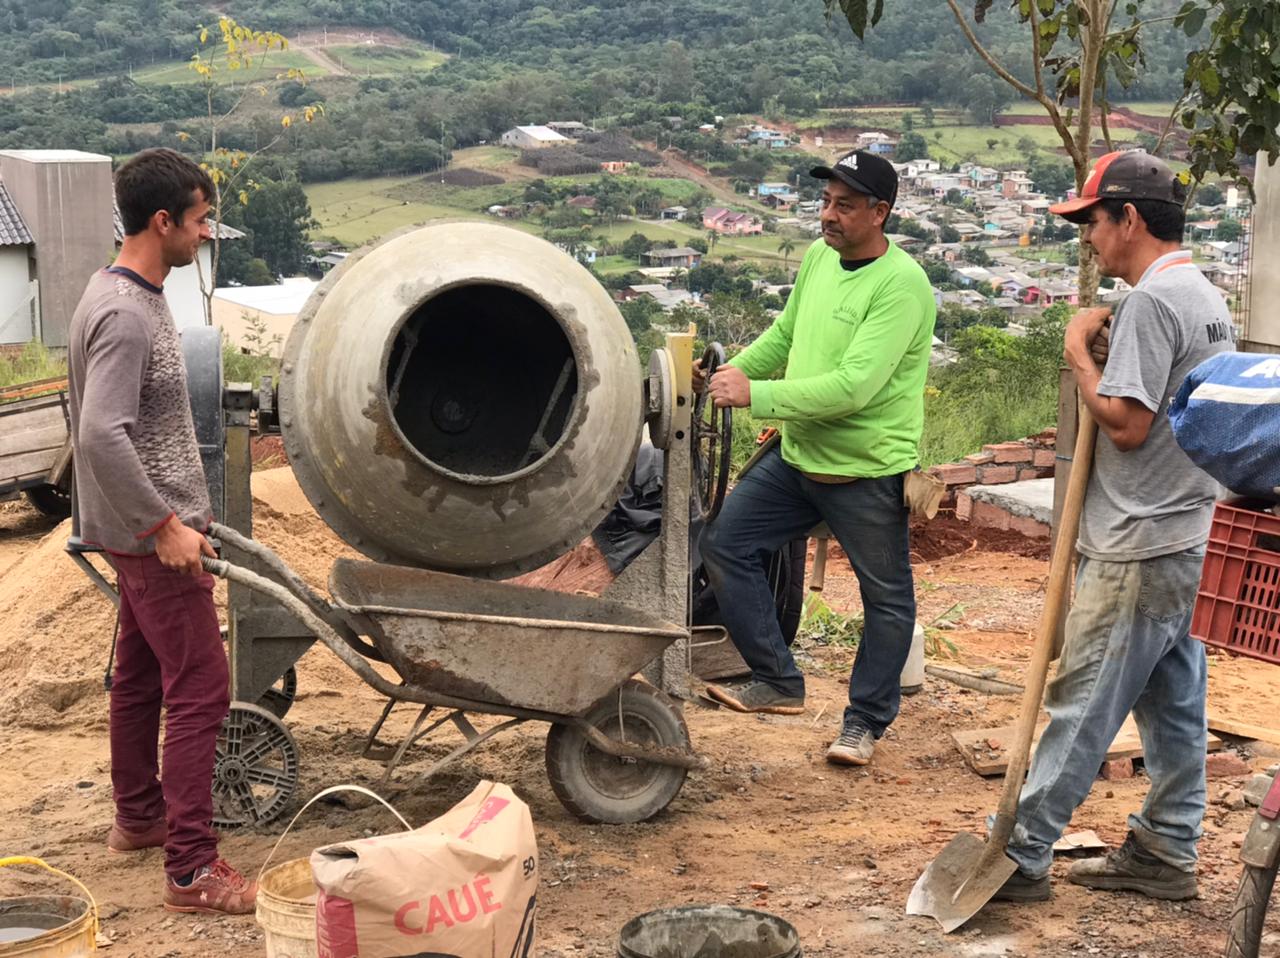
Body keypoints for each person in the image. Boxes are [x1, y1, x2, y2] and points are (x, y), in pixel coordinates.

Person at [990, 150, 1235, 905]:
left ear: (1129, 218)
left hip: (1137, 542)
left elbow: (1127, 425)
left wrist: (1076, 353)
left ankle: (1022, 855)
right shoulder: (1202, 294)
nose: (1088, 239)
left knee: (1085, 696)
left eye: (1092, 222)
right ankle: (1167, 848)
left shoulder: (1151, 304)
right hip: (1187, 531)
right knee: (1173, 710)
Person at [696, 150, 936, 767]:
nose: (828, 215)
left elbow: (855, 387)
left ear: (880, 213)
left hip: (866, 469)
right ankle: (778, 679)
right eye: (826, 202)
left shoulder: (901, 286)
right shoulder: (818, 258)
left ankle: (864, 720)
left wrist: (757, 395)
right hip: (798, 456)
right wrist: (729, 372)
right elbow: (786, 335)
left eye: (845, 205)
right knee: (726, 544)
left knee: (886, 599)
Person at [68, 148, 256, 915]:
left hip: (142, 530)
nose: (205, 234)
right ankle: (190, 870)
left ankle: (140, 817)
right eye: (201, 219)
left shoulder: (127, 293)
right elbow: (99, 435)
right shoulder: (122, 314)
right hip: (151, 537)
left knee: (143, 678)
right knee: (204, 687)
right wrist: (162, 526)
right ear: (162, 221)